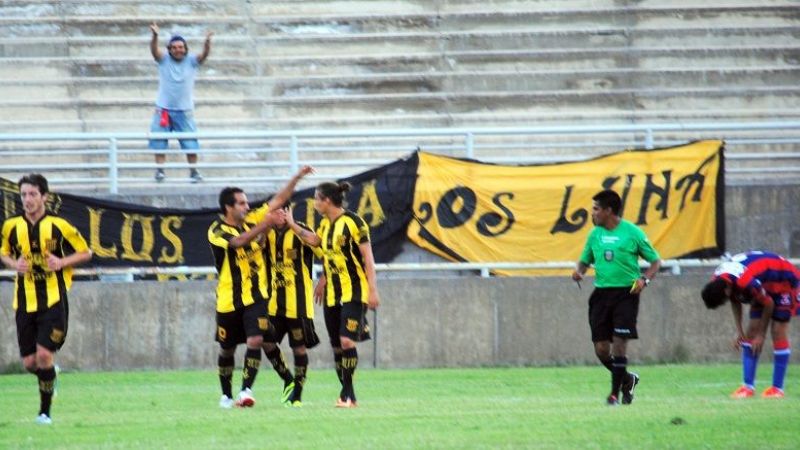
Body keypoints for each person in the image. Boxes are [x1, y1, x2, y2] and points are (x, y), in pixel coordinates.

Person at [208, 166, 312, 409]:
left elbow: (279, 200)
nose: (247, 207)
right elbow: (238, 243)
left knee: (255, 339)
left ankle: (246, 390)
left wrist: (297, 177)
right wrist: (265, 225)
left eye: (246, 203)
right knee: (227, 349)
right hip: (228, 299)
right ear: (228, 208)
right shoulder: (217, 230)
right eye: (242, 204)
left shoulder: (252, 219)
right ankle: (226, 394)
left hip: (257, 296)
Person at [0, 174, 92, 425]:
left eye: (32, 194)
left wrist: (62, 262)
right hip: (24, 300)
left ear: (44, 197)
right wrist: (12, 263)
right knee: (30, 363)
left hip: (53, 300)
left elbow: (85, 252)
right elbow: (4, 252)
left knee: (43, 356)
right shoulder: (11, 227)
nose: (27, 200)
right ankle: (51, 375)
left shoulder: (59, 226)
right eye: (23, 195)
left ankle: (44, 413)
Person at [286, 181, 380, 408]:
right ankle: (350, 396)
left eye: (317, 198)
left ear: (326, 200)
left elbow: (368, 259)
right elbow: (317, 243)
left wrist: (373, 290)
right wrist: (292, 225)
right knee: (337, 346)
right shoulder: (326, 226)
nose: (315, 203)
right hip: (331, 295)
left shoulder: (354, 222)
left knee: (347, 341)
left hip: (354, 291)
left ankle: (345, 394)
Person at [571, 189, 661, 406]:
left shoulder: (632, 233)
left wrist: (644, 280)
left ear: (608, 211)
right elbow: (585, 260)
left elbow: (656, 262)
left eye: (596, 209)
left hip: (626, 294)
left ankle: (614, 395)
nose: (592, 213)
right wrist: (579, 271)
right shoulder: (595, 235)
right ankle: (627, 379)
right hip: (601, 295)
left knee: (620, 344)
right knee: (602, 350)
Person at [701, 251, 800, 398]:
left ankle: (777, 389)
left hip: (786, 282)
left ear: (726, 291)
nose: (725, 302)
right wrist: (740, 333)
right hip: (764, 283)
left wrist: (761, 335)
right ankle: (747, 388)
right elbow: (734, 300)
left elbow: (769, 303)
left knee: (777, 330)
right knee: (750, 333)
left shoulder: (744, 281)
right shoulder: (719, 280)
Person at [263, 210, 321, 407]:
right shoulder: (267, 232)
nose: (278, 216)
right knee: (265, 341)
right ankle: (287, 379)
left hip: (299, 304)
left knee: (299, 348)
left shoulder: (301, 229)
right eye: (274, 212)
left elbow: (318, 245)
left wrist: (293, 224)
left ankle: (297, 394)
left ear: (288, 212)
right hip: (274, 305)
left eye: (282, 211)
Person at [148, 22, 213, 183]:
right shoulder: (164, 60)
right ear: (170, 49)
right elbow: (154, 52)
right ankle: (160, 171)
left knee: (190, 143)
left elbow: (203, 56)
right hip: (163, 109)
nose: (178, 50)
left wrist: (207, 43)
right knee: (159, 141)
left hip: (184, 110)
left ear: (185, 48)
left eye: (181, 47)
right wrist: (155, 36)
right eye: (175, 47)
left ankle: (193, 172)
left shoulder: (191, 61)